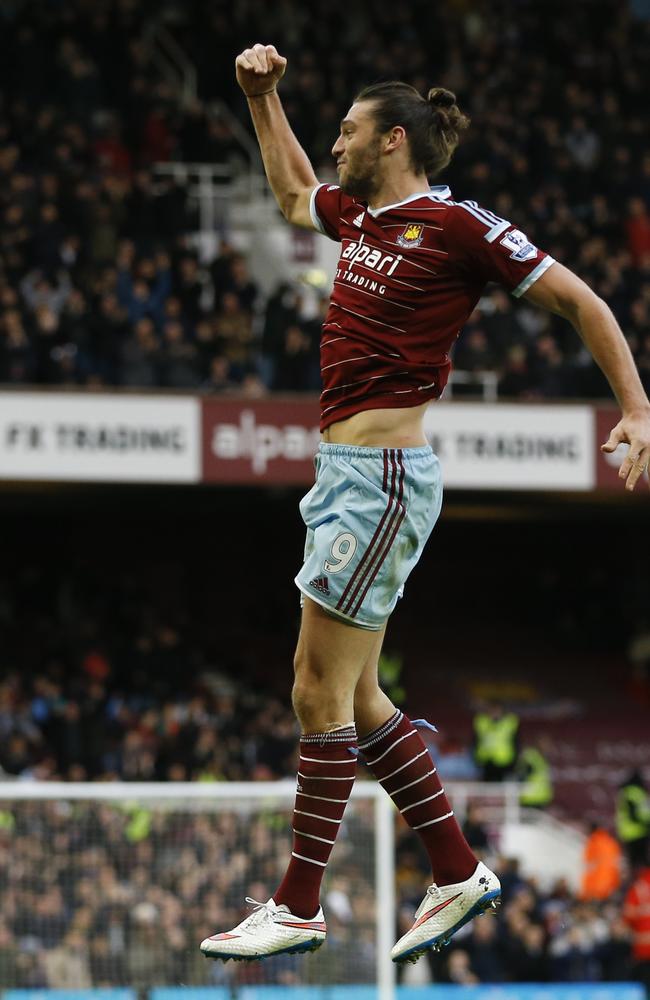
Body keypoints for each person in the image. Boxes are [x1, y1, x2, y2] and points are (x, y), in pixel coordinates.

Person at [200, 42, 650, 967]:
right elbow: (290, 196)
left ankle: (298, 903)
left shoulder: (456, 228)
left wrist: (639, 409)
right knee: (359, 699)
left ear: (393, 138)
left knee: (313, 688)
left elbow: (583, 301)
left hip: (382, 480)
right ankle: (454, 870)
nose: (335, 143)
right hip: (343, 476)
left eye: (349, 130)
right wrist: (264, 98)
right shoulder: (362, 220)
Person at [472, 703, 520, 782]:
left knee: (502, 789)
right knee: (487, 789)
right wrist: (476, 759)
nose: (494, 713)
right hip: (485, 762)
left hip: (505, 762)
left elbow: (516, 743)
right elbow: (475, 741)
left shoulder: (509, 723)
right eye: (492, 710)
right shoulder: (481, 722)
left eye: (496, 710)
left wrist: (514, 761)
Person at [616, 770, 650, 871]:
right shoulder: (634, 793)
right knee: (641, 861)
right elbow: (634, 814)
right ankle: (644, 883)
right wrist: (646, 825)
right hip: (638, 832)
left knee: (634, 863)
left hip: (629, 833)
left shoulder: (624, 792)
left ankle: (640, 883)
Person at [579, 822, 622, 902]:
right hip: (609, 885)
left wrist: (584, 893)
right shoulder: (612, 843)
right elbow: (616, 864)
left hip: (595, 887)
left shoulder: (594, 841)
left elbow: (588, 864)